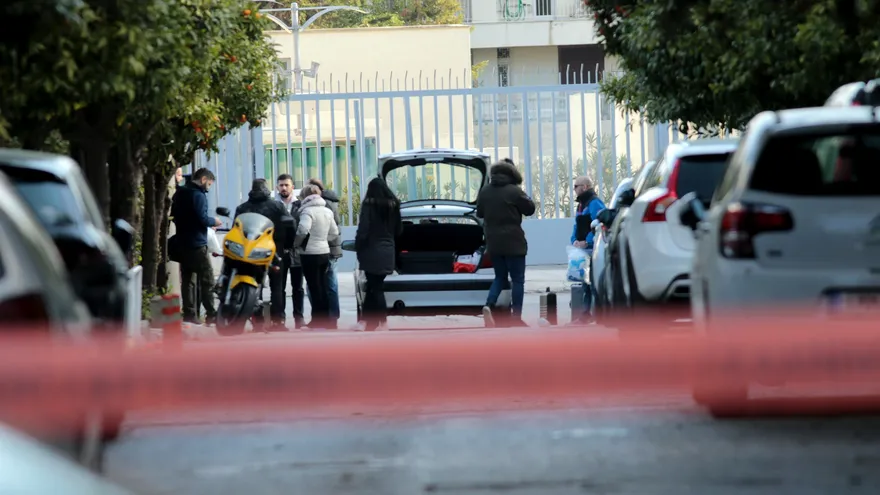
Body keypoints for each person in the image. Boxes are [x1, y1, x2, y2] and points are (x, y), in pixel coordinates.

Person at [476, 158, 537, 328]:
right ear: (512, 173)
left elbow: (479, 213)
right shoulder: (514, 191)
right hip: (513, 242)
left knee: (500, 277)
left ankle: (489, 304)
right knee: (518, 280)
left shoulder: (485, 191)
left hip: (494, 242)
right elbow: (530, 209)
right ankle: (516, 317)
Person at [233, 178, 293, 330]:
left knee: (253, 286)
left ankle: (257, 321)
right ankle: (278, 321)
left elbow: (236, 230)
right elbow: (290, 225)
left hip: (250, 251)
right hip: (275, 250)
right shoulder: (277, 206)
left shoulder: (243, 208)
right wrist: (288, 245)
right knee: (277, 286)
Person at [170, 168, 223, 325]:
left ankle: (189, 313)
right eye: (209, 184)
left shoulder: (179, 193)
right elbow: (202, 218)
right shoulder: (198, 195)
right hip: (197, 243)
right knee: (207, 279)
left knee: (188, 279)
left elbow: (174, 216)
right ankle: (211, 313)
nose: (209, 188)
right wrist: (214, 221)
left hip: (182, 242)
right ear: (203, 179)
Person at [354, 177, 403, 332]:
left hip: (371, 250)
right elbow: (399, 230)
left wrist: (358, 245)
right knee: (373, 286)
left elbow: (364, 229)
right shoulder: (394, 206)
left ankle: (382, 322)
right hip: (388, 250)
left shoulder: (368, 205)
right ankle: (367, 322)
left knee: (375, 287)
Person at [295, 184, 339, 330]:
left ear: (305, 196)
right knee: (324, 285)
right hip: (324, 252)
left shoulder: (307, 211)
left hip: (309, 253)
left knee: (314, 286)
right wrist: (323, 240)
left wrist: (297, 243)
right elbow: (334, 232)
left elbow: (303, 229)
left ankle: (318, 320)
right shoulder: (327, 211)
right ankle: (327, 319)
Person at [270, 174, 306, 329]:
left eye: (286, 185)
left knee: (298, 287)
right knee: (279, 287)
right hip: (279, 251)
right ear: (277, 187)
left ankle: (299, 318)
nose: (284, 188)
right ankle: (280, 318)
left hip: (296, 251)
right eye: (281, 185)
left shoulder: (300, 204)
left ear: (292, 187)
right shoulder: (273, 205)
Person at [307, 178, 342, 328]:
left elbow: (333, 227)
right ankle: (327, 318)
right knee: (325, 285)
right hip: (325, 248)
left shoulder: (325, 204)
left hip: (326, 249)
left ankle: (329, 318)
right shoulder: (325, 202)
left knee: (325, 284)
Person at [571, 176, 606, 322]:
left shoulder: (594, 203)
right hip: (582, 250)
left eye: (576, 186)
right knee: (585, 283)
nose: (574, 189)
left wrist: (587, 241)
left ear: (585, 187)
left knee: (591, 283)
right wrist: (574, 240)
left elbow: (600, 224)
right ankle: (586, 314)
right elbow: (576, 226)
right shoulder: (581, 205)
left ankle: (593, 314)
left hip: (592, 249)